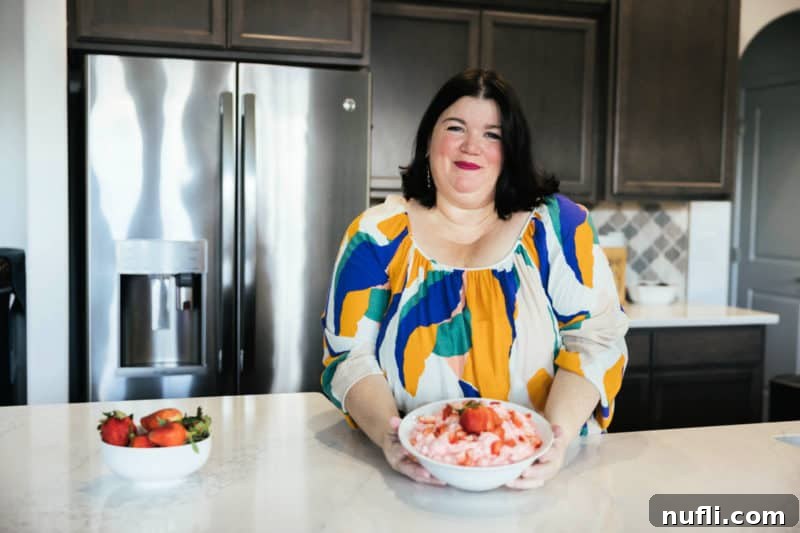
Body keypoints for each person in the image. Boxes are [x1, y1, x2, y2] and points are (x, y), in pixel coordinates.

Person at [321, 69, 629, 489]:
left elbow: (595, 340)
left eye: (492, 134)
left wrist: (551, 442)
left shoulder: (558, 227)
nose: (471, 146)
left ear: (512, 149)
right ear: (430, 138)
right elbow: (348, 357)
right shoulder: (376, 234)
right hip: (412, 476)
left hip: (546, 481)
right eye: (455, 127)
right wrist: (391, 440)